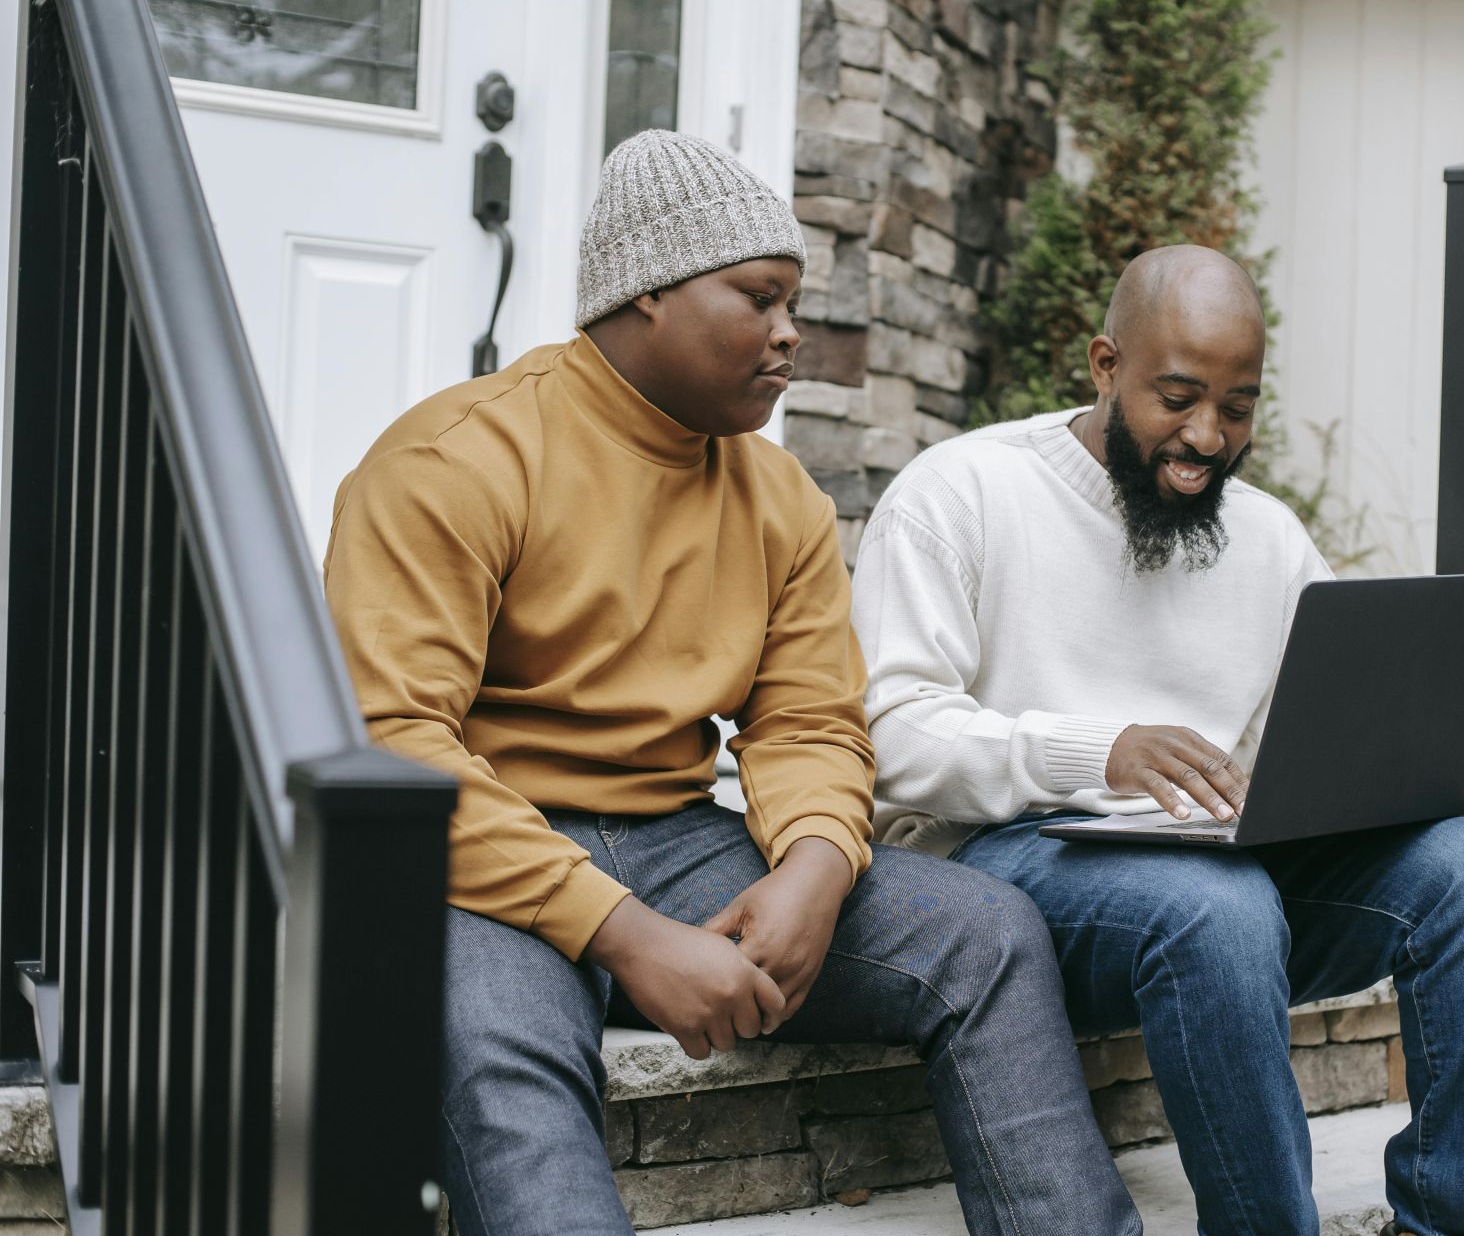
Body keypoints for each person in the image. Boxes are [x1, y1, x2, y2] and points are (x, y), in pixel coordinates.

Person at [323, 129, 1140, 1236]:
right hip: (488, 857)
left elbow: (809, 718)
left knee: (986, 931)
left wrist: (813, 862)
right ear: (648, 291)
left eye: (794, 300)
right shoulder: (456, 459)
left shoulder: (781, 497)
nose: (791, 331)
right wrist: (623, 934)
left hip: (677, 835)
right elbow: (394, 740)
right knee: (500, 1060)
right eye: (759, 297)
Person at [851, 244, 1464, 1236]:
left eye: (1239, 406)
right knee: (1215, 906)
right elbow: (891, 733)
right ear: (1103, 365)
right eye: (1177, 396)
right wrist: (1100, 748)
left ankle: (1454, 1223)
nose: (1208, 435)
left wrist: (1344, 783)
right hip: (1007, 861)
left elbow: (1331, 725)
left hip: (1206, 868)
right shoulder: (962, 491)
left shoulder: (1266, 537)